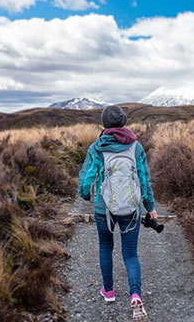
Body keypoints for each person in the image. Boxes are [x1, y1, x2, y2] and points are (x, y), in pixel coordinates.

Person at [78, 105, 156, 321]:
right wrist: (150, 207)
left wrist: (86, 196)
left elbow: (86, 180)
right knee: (130, 254)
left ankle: (109, 292)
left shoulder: (96, 148)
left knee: (105, 247)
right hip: (131, 208)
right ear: (123, 122)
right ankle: (135, 295)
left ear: (104, 124)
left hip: (104, 208)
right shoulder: (136, 147)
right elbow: (144, 179)